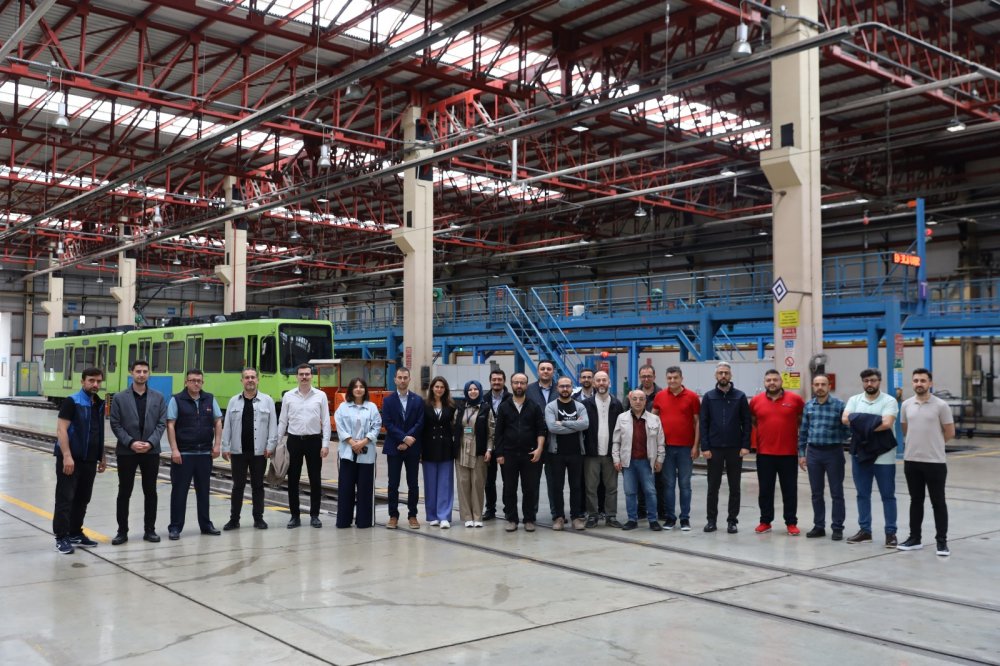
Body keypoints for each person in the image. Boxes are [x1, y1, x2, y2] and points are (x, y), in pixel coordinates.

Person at [109, 360, 168, 545]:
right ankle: (122, 532)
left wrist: (150, 443)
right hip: (127, 451)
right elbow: (115, 424)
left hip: (151, 452)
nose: (141, 374)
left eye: (145, 371)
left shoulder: (158, 397)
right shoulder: (119, 398)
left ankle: (150, 530)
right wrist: (131, 442)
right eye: (138, 371)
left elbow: (162, 423)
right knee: (124, 491)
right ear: (131, 373)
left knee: (150, 491)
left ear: (149, 374)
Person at [898, 368, 955, 556]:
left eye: (923, 380)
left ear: (930, 383)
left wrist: (935, 444)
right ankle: (915, 539)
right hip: (912, 461)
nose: (919, 384)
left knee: (938, 502)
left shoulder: (941, 406)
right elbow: (905, 429)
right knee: (916, 501)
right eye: (916, 380)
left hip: (935, 462)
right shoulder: (906, 405)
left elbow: (950, 432)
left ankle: (942, 542)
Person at [52, 367, 108, 554]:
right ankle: (61, 537)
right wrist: (67, 456)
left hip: (90, 459)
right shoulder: (72, 401)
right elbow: (61, 429)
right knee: (65, 498)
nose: (95, 384)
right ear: (83, 381)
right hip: (71, 459)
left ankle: (75, 532)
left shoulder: (98, 403)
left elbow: (97, 431)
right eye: (91, 380)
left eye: (98, 381)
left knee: (83, 498)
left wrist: (102, 455)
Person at [842, 368, 899, 548]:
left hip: (884, 455)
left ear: (879, 381)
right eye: (866, 381)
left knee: (888, 495)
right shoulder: (854, 400)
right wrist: (873, 420)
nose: (869, 384)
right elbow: (845, 419)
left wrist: (859, 421)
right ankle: (865, 531)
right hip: (860, 453)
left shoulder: (889, 401)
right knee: (862, 494)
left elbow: (887, 423)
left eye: (873, 380)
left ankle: (891, 533)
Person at [166, 368, 223, 540]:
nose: (196, 383)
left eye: (199, 381)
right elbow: (170, 425)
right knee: (179, 492)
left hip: (204, 454)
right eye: (192, 380)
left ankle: (206, 525)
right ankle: (175, 527)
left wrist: (217, 445)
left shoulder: (209, 399)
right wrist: (174, 450)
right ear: (186, 382)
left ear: (202, 382)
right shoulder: (177, 400)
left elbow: (218, 421)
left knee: (204, 492)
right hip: (184, 455)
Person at [221, 367, 278, 530]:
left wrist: (271, 446)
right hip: (238, 452)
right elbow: (227, 426)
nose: (250, 380)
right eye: (247, 377)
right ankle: (234, 520)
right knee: (237, 486)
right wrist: (225, 446)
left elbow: (273, 426)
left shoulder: (267, 401)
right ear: (242, 381)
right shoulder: (233, 401)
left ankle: (258, 519)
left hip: (259, 452)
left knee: (258, 486)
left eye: (253, 377)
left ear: (258, 380)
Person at [750, 370, 805, 535]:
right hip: (764, 453)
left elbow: (801, 419)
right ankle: (765, 521)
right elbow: (754, 420)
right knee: (765, 490)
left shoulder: (795, 400)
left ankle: (791, 522)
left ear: (781, 382)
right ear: (764, 382)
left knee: (790, 490)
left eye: (775, 380)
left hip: (788, 453)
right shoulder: (755, 401)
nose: (772, 383)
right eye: (768, 380)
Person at [277, 363, 331, 528]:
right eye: (301, 374)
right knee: (293, 480)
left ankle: (315, 516)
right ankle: (295, 516)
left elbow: (326, 421)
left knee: (315, 479)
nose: (304, 377)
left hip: (314, 441)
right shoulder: (288, 396)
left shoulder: (320, 396)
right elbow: (283, 421)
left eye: (307, 374)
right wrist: (277, 443)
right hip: (294, 441)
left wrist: (325, 444)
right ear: (297, 377)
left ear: (311, 376)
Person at [700, 361, 751, 534]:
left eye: (726, 373)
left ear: (730, 375)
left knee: (734, 487)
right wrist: (705, 446)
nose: (723, 375)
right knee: (712, 487)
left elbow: (747, 422)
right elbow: (703, 423)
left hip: (734, 449)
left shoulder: (740, 396)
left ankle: (732, 521)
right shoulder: (708, 397)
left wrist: (745, 445)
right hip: (714, 449)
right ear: (716, 376)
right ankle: (711, 521)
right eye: (720, 373)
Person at [798, 374, 850, 540]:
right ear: (813, 386)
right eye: (817, 384)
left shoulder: (839, 405)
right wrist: (801, 454)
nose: (820, 387)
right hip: (813, 453)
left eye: (823, 384)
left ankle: (837, 527)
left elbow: (847, 430)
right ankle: (819, 526)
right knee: (816, 493)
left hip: (834, 452)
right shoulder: (808, 406)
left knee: (837, 492)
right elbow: (803, 431)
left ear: (829, 386)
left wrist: (835, 435)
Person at [494, 372, 546, 532]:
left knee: (530, 488)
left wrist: (539, 449)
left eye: (522, 383)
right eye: (516, 382)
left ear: (526, 385)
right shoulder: (504, 407)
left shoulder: (534, 406)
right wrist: (499, 453)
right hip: (509, 454)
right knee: (509, 488)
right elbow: (499, 432)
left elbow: (541, 430)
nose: (519, 385)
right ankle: (512, 519)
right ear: (511, 384)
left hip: (529, 454)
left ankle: (529, 519)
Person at [651, 365, 700, 531]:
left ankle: (685, 519)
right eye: (669, 378)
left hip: (686, 448)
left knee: (685, 484)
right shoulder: (660, 396)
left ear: (681, 379)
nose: (672, 381)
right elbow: (653, 418)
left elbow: (697, 422)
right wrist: (654, 445)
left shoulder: (692, 397)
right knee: (669, 484)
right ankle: (670, 518)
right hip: (666, 448)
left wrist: (696, 446)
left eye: (675, 378)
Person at [612, 390, 665, 531]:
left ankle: (653, 520)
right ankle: (632, 520)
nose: (638, 401)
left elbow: (660, 442)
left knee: (650, 492)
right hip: (628, 462)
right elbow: (616, 441)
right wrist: (616, 459)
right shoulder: (621, 418)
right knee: (630, 492)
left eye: (641, 399)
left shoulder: (654, 419)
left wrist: (660, 459)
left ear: (645, 401)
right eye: (634, 398)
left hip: (647, 462)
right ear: (630, 400)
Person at [333, 377, 382, 529]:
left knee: (365, 489)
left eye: (361, 386)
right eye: (355, 386)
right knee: (345, 488)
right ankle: (343, 521)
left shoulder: (372, 407)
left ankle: (364, 521)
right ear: (351, 390)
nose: (359, 389)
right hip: (347, 453)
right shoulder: (343, 407)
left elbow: (377, 426)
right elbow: (340, 427)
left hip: (366, 453)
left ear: (365, 390)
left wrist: (363, 442)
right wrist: (353, 443)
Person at [544, 377, 590, 531]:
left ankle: (576, 517)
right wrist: (575, 425)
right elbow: (552, 427)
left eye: (567, 386)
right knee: (557, 487)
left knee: (576, 486)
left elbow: (585, 424)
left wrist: (563, 423)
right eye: (562, 386)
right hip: (556, 453)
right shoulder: (551, 407)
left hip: (576, 453)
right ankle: (559, 517)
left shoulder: (579, 406)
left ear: (572, 388)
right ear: (557, 388)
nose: (565, 389)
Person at [382, 366, 425, 529]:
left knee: (413, 483)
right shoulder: (388, 401)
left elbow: (420, 422)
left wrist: (407, 441)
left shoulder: (418, 400)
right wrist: (403, 438)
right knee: (393, 484)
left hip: (412, 448)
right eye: (399, 377)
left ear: (409, 379)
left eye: (405, 377)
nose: (402, 380)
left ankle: (412, 515)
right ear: (395, 380)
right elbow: (387, 423)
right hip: (394, 447)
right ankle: (393, 516)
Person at [583, 370, 623, 528]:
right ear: (594, 383)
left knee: (612, 487)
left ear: (609, 383)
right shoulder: (586, 404)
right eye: (598, 380)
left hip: (610, 454)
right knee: (591, 487)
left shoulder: (617, 404)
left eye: (604, 380)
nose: (601, 383)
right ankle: (592, 515)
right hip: (591, 453)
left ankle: (611, 516)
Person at [423, 376, 457, 528]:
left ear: (445, 389)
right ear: (432, 388)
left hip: (446, 448)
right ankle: (432, 515)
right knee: (430, 483)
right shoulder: (424, 405)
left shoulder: (451, 405)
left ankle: (444, 516)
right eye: (436, 386)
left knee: (445, 483)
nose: (439, 389)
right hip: (429, 448)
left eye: (442, 387)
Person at [455, 380, 489, 527]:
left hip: (478, 450)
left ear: (480, 391)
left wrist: (489, 450)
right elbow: (454, 426)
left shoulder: (486, 408)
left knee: (477, 484)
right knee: (463, 484)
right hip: (461, 449)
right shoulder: (460, 408)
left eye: (475, 389)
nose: (473, 392)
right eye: (470, 389)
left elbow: (491, 433)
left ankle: (477, 516)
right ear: (466, 392)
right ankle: (467, 517)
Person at [636, 363, 666, 520]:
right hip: (638, 443)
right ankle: (641, 510)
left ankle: (661, 510)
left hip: (657, 441)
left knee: (659, 479)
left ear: (654, 377)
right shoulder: (633, 394)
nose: (646, 379)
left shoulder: (662, 394)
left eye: (649, 376)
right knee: (640, 479)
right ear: (640, 377)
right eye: (643, 376)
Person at [482, 370, 511, 521]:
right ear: (490, 381)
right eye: (494, 379)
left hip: (506, 446)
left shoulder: (511, 399)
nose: (497, 382)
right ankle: (490, 509)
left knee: (508, 480)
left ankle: (508, 509)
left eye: (499, 379)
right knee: (489, 481)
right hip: (489, 445)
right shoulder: (484, 399)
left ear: (504, 381)